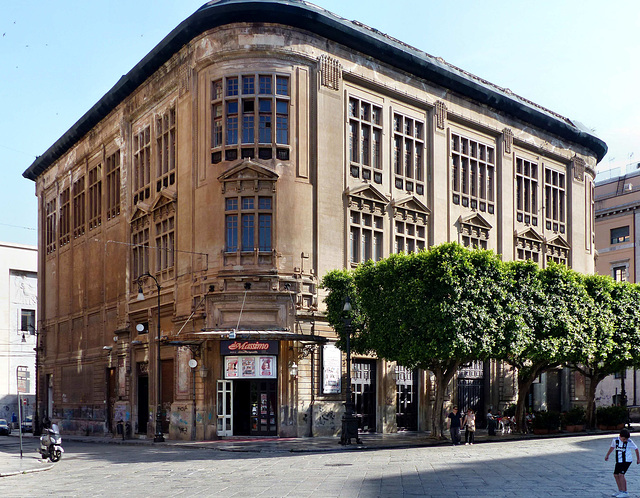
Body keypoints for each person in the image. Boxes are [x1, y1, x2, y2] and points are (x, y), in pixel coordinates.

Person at [605, 428, 639, 498]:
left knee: (621, 474)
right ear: (620, 436)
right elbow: (612, 447)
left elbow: (636, 449)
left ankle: (625, 492)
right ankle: (620, 490)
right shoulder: (615, 440)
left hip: (627, 460)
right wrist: (607, 455)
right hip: (619, 460)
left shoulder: (629, 441)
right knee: (616, 475)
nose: (625, 440)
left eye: (626, 439)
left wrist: (638, 459)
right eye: (624, 439)